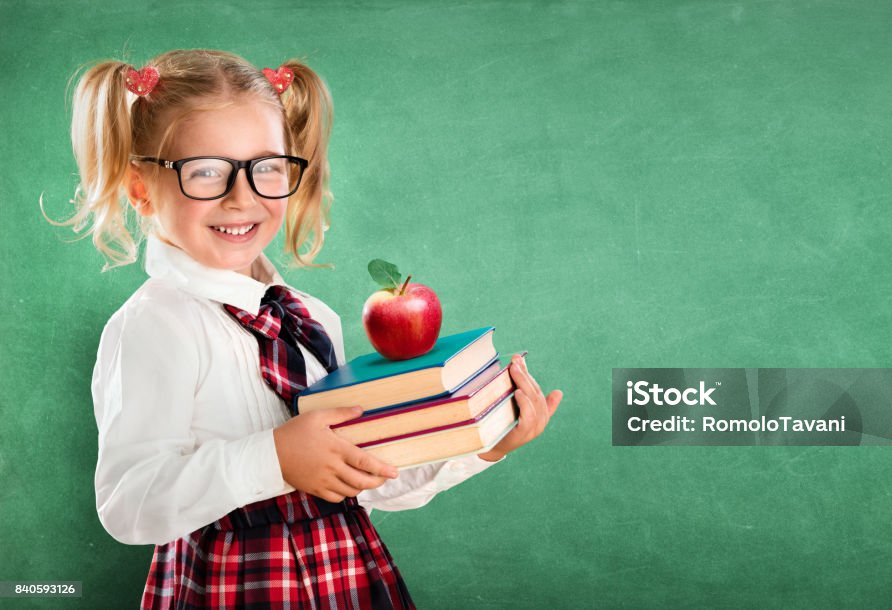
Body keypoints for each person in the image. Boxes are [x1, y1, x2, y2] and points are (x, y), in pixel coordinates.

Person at [62, 49, 562, 609]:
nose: (242, 196)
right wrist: (274, 457)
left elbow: (359, 481)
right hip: (232, 587)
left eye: (267, 166)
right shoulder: (156, 325)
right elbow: (130, 506)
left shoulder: (310, 318)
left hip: (344, 576)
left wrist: (482, 444)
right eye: (206, 170)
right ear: (139, 186)